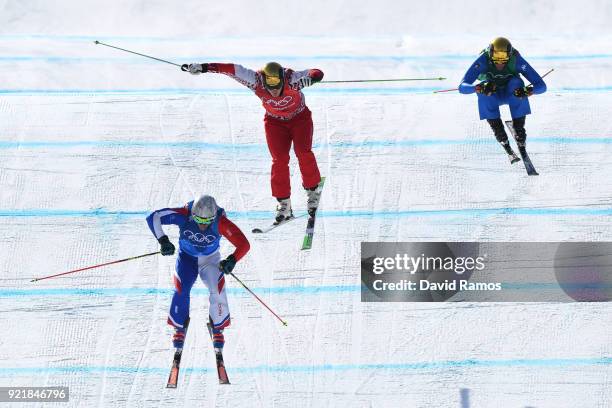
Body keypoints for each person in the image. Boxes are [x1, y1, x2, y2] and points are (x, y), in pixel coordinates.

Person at [183, 61, 324, 224]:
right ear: (264, 81)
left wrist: (312, 79)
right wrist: (203, 67)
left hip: (300, 119)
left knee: (303, 152)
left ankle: (312, 191)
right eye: (270, 88)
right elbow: (231, 69)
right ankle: (283, 203)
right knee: (279, 160)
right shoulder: (255, 80)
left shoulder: (292, 78)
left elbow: (317, 72)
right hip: (275, 123)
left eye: (277, 86)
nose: (274, 91)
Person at [146, 195, 250, 351]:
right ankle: (179, 327)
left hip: (210, 260)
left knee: (217, 289)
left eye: (206, 222)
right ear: (193, 215)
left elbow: (244, 244)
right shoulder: (184, 215)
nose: (202, 225)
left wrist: (232, 260)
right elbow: (153, 217)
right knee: (181, 289)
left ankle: (218, 327)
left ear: (213, 217)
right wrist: (163, 240)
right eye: (199, 221)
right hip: (186, 258)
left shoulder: (220, 222)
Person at [458, 37, 547, 161]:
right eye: (496, 56)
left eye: (503, 56)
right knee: (485, 86)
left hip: (511, 94)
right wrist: (478, 88)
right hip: (492, 95)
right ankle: (499, 132)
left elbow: (542, 86)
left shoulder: (516, 60)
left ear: (510, 55)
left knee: (516, 83)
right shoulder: (483, 59)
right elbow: (462, 87)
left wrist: (528, 91)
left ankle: (519, 129)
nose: (500, 61)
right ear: (490, 53)